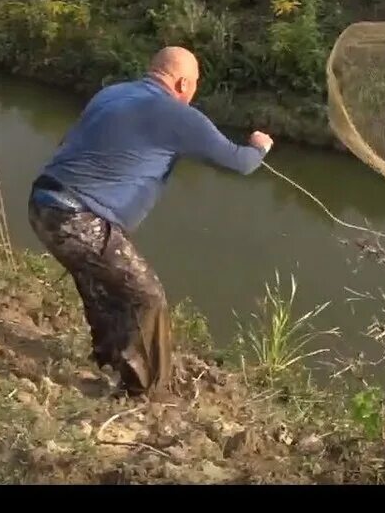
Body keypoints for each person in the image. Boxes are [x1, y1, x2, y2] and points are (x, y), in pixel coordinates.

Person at [27, 46, 273, 398]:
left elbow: (70, 142)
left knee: (104, 287)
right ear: (183, 82)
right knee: (148, 297)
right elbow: (241, 163)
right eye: (196, 84)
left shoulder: (111, 93)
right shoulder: (178, 115)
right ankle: (145, 391)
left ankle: (112, 358)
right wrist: (259, 146)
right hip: (77, 218)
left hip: (42, 204)